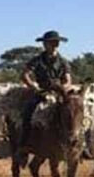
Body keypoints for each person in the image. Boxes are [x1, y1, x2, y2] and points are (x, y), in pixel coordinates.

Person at [17, 30, 72, 163]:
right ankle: (24, 145)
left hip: (59, 92)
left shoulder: (63, 61)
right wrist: (35, 88)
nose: (54, 45)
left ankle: (81, 145)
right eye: (51, 42)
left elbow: (68, 79)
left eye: (56, 42)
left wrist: (63, 88)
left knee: (77, 112)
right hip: (42, 91)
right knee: (28, 112)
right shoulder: (37, 60)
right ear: (45, 44)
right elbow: (24, 75)